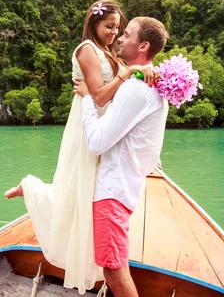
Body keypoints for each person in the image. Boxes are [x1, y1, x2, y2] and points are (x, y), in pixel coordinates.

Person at [4, 0, 155, 294]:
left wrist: (144, 71)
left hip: (105, 126)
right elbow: (98, 96)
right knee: (77, 191)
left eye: (118, 28)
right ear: (94, 24)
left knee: (90, 196)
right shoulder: (86, 50)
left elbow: (123, 92)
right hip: (88, 126)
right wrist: (128, 72)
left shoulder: (109, 53)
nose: (114, 32)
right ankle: (30, 187)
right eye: (109, 26)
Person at [74, 17, 170, 297]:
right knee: (111, 268)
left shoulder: (137, 88)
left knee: (115, 272)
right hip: (123, 185)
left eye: (126, 34)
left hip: (112, 190)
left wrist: (88, 98)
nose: (119, 38)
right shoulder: (147, 83)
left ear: (143, 45)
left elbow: (96, 142)